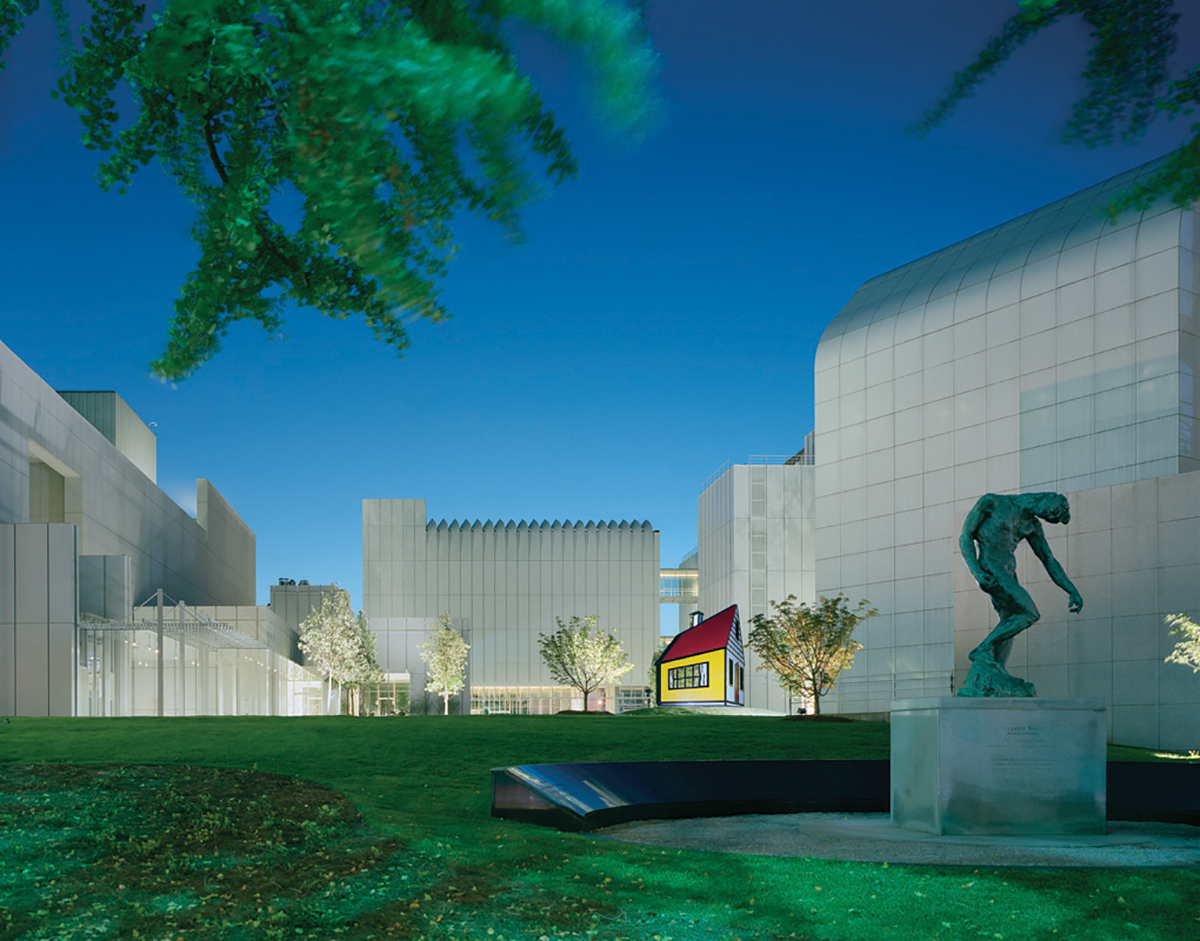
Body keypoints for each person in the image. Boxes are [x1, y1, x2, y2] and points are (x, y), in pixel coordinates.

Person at [959, 492, 1083, 694]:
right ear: (1047, 498)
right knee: (1028, 613)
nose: (1046, 516)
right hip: (992, 569)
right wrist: (976, 572)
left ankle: (997, 670)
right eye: (1050, 512)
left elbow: (1049, 560)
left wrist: (1071, 589)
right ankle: (982, 649)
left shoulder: (1032, 525)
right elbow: (965, 536)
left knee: (1009, 621)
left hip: (1009, 574)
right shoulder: (992, 502)